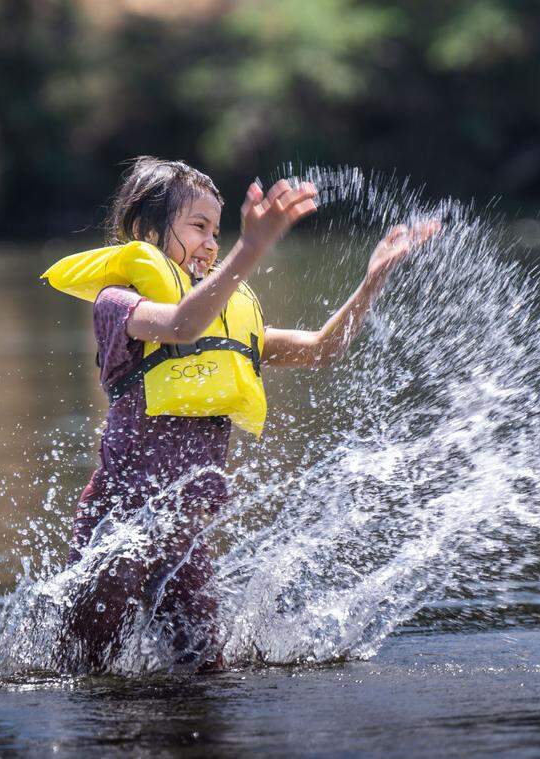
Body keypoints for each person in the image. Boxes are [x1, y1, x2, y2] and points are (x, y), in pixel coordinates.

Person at [41, 157, 438, 673]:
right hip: (118, 526)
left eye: (218, 231)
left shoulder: (232, 323)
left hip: (183, 540)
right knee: (84, 672)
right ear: (145, 232)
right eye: (198, 227)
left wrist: (371, 282)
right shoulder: (120, 303)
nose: (211, 243)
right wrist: (251, 248)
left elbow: (323, 347)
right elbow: (183, 325)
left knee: (206, 670)